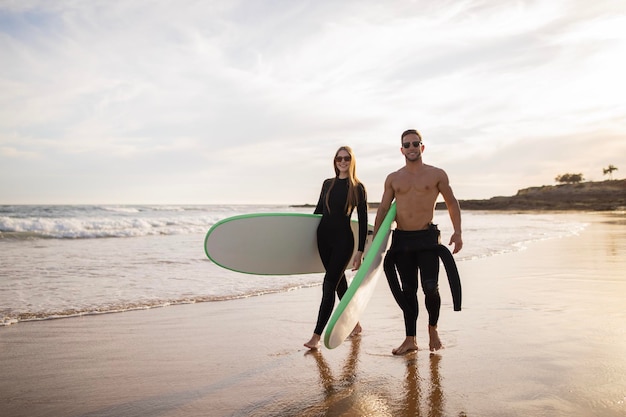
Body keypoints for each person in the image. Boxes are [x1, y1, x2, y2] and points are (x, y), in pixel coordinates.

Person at [374, 129, 463, 355]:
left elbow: (451, 202)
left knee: (430, 287)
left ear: (422, 147)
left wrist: (458, 231)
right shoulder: (393, 178)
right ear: (401, 149)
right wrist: (376, 240)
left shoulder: (437, 174)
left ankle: (432, 329)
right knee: (408, 290)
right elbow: (384, 209)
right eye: (407, 144)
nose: (412, 148)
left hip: (427, 238)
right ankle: (410, 339)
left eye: (416, 144)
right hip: (402, 239)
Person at [304, 146, 368, 350]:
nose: (342, 161)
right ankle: (355, 324)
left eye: (346, 158)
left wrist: (360, 251)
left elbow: (364, 220)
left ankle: (316, 336)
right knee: (339, 284)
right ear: (335, 161)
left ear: (352, 161)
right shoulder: (328, 184)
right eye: (339, 158)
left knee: (329, 284)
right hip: (323, 240)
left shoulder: (357, 188)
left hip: (343, 242)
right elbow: (318, 212)